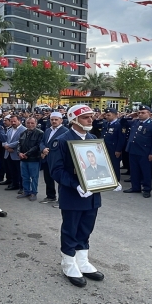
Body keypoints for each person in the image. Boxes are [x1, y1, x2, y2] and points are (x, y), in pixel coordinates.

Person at [48, 105, 104, 287]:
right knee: (70, 230)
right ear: (74, 119)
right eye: (86, 117)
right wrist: (75, 185)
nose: (91, 120)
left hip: (92, 194)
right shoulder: (61, 140)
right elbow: (56, 170)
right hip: (73, 194)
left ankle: (82, 260)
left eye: (91, 117)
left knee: (86, 228)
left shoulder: (93, 137)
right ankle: (68, 263)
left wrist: (108, 180)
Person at [122, 106, 152, 198]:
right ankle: (135, 187)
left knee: (145, 171)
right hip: (133, 150)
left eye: (143, 112)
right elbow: (122, 122)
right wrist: (130, 115)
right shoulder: (135, 122)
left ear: (149, 114)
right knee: (134, 170)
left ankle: (147, 189)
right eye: (139, 112)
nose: (140, 114)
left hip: (145, 152)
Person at [40, 111, 69, 204]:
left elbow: (63, 146)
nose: (54, 121)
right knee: (48, 178)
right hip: (46, 158)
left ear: (61, 120)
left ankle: (62, 200)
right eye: (52, 119)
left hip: (58, 159)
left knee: (60, 180)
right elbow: (42, 141)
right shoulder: (48, 130)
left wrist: (49, 151)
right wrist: (43, 149)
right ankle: (50, 196)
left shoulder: (65, 131)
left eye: (56, 120)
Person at [17, 118, 44, 201]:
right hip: (23, 159)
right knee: (24, 176)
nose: (30, 124)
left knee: (34, 177)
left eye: (32, 123)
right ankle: (26, 191)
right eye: (28, 123)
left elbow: (37, 146)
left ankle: (34, 192)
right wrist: (19, 153)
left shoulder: (40, 133)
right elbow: (19, 144)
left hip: (34, 159)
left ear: (36, 123)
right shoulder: (23, 133)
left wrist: (26, 154)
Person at [100, 108, 126, 184]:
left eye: (109, 115)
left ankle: (116, 181)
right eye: (106, 115)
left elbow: (121, 139)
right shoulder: (106, 123)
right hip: (105, 147)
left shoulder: (119, 124)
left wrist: (118, 150)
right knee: (106, 164)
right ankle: (108, 178)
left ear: (115, 115)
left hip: (114, 148)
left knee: (114, 165)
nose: (106, 117)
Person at [2, 115, 26, 191]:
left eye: (14, 121)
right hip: (8, 153)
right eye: (11, 121)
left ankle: (22, 186)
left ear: (19, 121)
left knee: (20, 171)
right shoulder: (9, 129)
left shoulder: (23, 130)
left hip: (16, 153)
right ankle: (14, 184)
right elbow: (4, 138)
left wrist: (8, 146)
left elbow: (20, 141)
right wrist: (5, 145)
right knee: (12, 170)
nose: (13, 123)